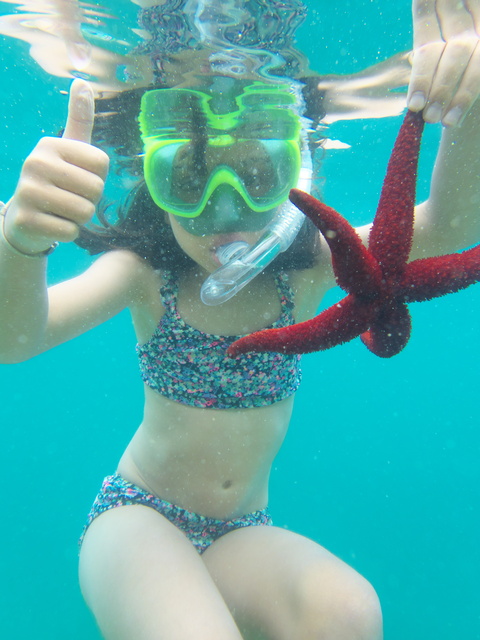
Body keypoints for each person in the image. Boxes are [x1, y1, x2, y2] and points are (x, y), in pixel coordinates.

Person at [1, 1, 479, 639]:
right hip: (138, 517)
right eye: (189, 179)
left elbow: (450, 227)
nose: (226, 212)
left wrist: (467, 107)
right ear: (151, 179)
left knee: (348, 614)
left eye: (259, 176)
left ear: (297, 173)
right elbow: (16, 338)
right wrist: (20, 243)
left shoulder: (308, 270)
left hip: (243, 531)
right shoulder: (146, 276)